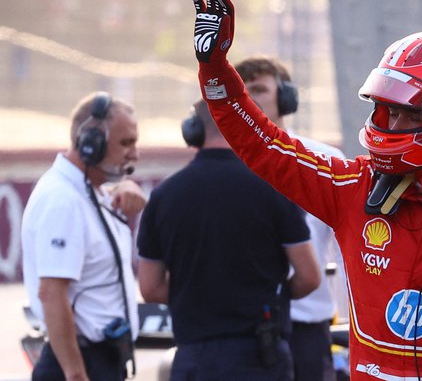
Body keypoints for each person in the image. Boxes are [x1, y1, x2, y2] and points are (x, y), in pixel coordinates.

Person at [189, 0, 422, 380]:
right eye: (385, 111)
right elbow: (264, 146)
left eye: (410, 114)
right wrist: (215, 69)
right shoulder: (351, 188)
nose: (393, 126)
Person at [136, 99, 321, 381]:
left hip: (192, 357)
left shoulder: (164, 196)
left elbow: (150, 288)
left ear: (193, 131)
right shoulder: (273, 186)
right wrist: (269, 295)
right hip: (259, 356)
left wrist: (197, 292)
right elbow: (309, 277)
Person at [235, 56, 347, 381]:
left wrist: (354, 322)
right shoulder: (223, 164)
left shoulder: (325, 160)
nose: (249, 98)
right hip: (242, 326)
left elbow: (345, 247)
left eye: (258, 89)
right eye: (241, 91)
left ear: (287, 97)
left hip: (307, 326)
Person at [21, 91, 145, 381]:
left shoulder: (88, 193)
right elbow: (52, 294)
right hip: (81, 364)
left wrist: (124, 188)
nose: (135, 154)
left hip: (102, 360)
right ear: (91, 142)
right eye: (126, 143)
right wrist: (76, 374)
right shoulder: (63, 201)